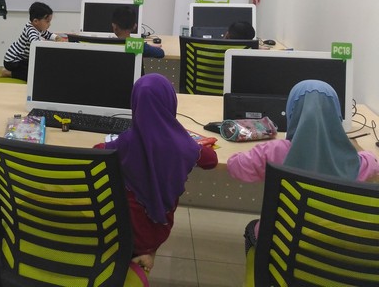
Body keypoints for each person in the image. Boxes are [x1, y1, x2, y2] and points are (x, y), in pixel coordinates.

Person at [227, 79, 379, 252]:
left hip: (282, 246)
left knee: (253, 227)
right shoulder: (354, 162)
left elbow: (234, 165)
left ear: (291, 113)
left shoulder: (275, 151)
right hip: (334, 249)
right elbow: (373, 162)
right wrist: (350, 148)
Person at [95, 74, 218, 274]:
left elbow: (98, 151)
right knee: (147, 230)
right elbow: (211, 161)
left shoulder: (125, 142)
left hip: (118, 229)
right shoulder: (184, 146)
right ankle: (146, 253)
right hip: (156, 230)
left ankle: (136, 256)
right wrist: (186, 140)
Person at [2, 2, 66, 81]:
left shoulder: (38, 28)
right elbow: (36, 44)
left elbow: (48, 34)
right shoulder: (31, 30)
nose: (49, 24)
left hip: (22, 58)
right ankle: (8, 73)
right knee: (33, 75)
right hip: (13, 61)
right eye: (47, 21)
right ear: (36, 21)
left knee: (38, 68)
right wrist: (52, 44)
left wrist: (57, 38)